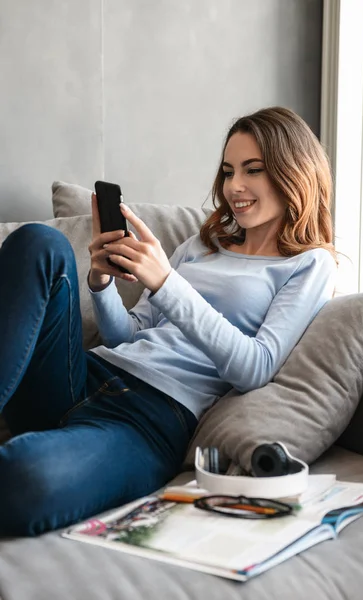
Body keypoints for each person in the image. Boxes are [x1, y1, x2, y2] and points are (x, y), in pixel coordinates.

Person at [0, 107, 337, 537]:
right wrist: (101, 281)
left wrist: (166, 282)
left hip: (148, 421)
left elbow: (256, 367)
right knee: (39, 242)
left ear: (293, 173)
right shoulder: (203, 243)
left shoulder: (309, 265)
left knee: (22, 479)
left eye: (253, 170)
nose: (235, 187)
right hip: (86, 374)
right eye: (229, 171)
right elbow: (129, 335)